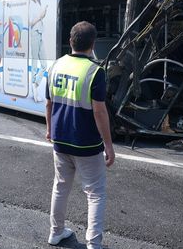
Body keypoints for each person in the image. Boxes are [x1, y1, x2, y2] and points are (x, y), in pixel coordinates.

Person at [45, 21, 115, 249]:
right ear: (93, 44)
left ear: (70, 41)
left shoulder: (55, 66)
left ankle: (55, 233)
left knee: (61, 186)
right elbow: (99, 111)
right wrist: (109, 145)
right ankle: (93, 244)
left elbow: (49, 103)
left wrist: (49, 130)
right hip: (86, 144)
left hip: (60, 139)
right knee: (95, 193)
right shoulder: (95, 71)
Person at [29, 0, 48, 102]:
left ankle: (34, 85)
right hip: (34, 34)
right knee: (35, 64)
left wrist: (43, 14)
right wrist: (40, 16)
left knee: (44, 65)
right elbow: (30, 22)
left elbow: (39, 18)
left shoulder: (38, 3)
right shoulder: (30, 4)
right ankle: (35, 92)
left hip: (40, 34)